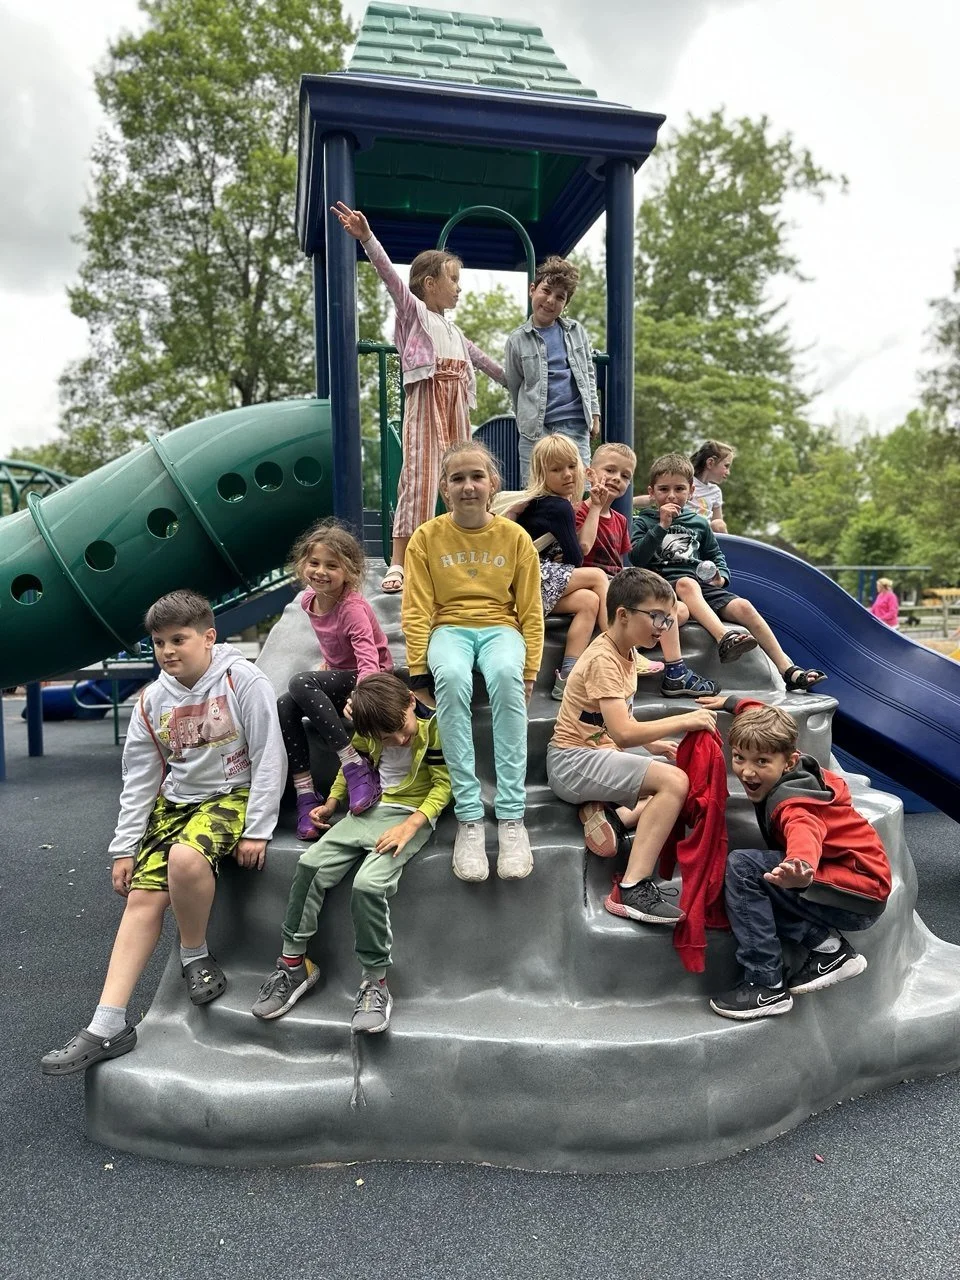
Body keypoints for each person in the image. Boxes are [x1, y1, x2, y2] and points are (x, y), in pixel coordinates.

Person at [41, 591, 285, 1075]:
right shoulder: (152, 699)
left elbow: (268, 755)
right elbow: (140, 776)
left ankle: (195, 954)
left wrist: (257, 827)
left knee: (186, 859)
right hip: (174, 803)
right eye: (159, 642)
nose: (169, 650)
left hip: (229, 795)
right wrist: (124, 847)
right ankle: (107, 1024)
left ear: (209, 637)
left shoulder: (242, 680)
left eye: (180, 639)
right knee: (141, 899)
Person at [252, 674, 451, 1034]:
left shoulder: (432, 727)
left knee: (368, 885)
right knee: (310, 864)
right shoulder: (369, 729)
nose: (400, 740)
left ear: (411, 701)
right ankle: (293, 963)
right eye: (387, 739)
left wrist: (412, 826)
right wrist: (331, 802)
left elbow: (443, 784)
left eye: (402, 731)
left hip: (409, 816)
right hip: (367, 811)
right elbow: (353, 767)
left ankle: (376, 982)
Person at [332, 201, 507, 594]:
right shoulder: (414, 313)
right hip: (428, 399)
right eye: (453, 279)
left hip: (457, 403)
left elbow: (488, 365)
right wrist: (367, 239)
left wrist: (518, 380)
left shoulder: (456, 332)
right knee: (421, 476)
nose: (459, 288)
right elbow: (390, 278)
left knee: (467, 472)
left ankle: (474, 549)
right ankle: (400, 561)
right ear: (430, 282)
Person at [402, 440, 544, 882]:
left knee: (503, 674)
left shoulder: (515, 537)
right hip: (450, 629)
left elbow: (531, 609)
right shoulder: (426, 538)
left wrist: (530, 669)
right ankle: (468, 817)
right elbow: (417, 608)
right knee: (452, 677)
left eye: (476, 477)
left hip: (501, 628)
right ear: (445, 488)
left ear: (492, 485)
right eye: (458, 478)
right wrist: (418, 670)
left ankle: (511, 819)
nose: (468, 486)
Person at [546, 567, 718, 924]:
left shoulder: (626, 652)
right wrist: (684, 719)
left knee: (673, 778)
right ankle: (631, 888)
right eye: (655, 616)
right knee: (674, 783)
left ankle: (609, 814)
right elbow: (623, 732)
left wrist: (654, 743)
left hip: (597, 752)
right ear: (622, 615)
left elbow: (611, 720)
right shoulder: (604, 660)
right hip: (572, 761)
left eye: (668, 620)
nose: (662, 627)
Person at [702, 700, 891, 1020]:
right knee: (762, 885)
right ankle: (830, 951)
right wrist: (732, 703)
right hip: (855, 880)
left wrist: (801, 868)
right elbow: (760, 715)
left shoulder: (792, 803)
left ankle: (765, 984)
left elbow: (805, 831)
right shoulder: (794, 760)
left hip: (851, 892)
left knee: (744, 869)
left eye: (761, 761)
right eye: (739, 757)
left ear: (788, 762)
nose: (747, 770)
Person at [630, 452, 827, 693]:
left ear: (691, 492)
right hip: (662, 587)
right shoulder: (645, 521)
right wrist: (662, 526)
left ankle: (788, 669)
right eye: (664, 489)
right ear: (651, 492)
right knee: (685, 583)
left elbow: (716, 556)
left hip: (697, 587)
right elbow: (637, 557)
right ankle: (724, 637)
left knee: (743, 606)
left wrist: (720, 576)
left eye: (679, 489)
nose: (671, 495)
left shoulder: (699, 523)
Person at [276, 519, 391, 841]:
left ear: (349, 572)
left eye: (332, 566)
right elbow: (335, 648)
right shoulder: (308, 601)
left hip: (371, 680)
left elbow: (368, 658)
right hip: (341, 678)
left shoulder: (352, 607)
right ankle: (304, 795)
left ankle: (354, 765)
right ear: (303, 565)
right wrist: (330, 666)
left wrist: (360, 696)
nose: (320, 572)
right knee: (285, 704)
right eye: (314, 563)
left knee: (300, 682)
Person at [513, 434, 615, 701]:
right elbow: (577, 559)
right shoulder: (557, 506)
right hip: (531, 580)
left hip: (529, 587)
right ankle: (617, 646)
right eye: (556, 470)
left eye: (572, 466)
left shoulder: (546, 503)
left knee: (589, 601)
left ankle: (567, 674)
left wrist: (595, 507)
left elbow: (580, 548)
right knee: (597, 576)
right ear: (541, 474)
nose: (568, 475)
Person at [504, 254, 600, 481]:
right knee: (533, 489)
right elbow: (515, 385)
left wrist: (595, 414)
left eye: (559, 297)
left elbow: (588, 372)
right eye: (546, 291)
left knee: (577, 487)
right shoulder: (517, 340)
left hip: (574, 422)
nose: (550, 301)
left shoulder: (575, 331)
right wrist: (525, 421)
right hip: (536, 429)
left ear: (565, 304)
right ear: (532, 289)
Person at [575, 441, 636, 578]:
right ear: (590, 474)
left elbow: (617, 562)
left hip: (614, 582)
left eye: (625, 476)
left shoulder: (621, 520)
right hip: (588, 579)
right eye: (610, 470)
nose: (617, 478)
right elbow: (582, 547)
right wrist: (596, 507)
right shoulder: (576, 510)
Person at [689, 439, 735, 533]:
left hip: (704, 535)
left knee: (718, 524)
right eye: (726, 466)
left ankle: (724, 547)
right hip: (683, 531)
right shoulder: (685, 484)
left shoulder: (715, 491)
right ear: (710, 463)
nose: (728, 472)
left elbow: (718, 523)